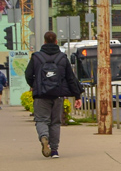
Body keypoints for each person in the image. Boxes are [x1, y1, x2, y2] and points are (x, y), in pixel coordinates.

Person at [25, 31, 83, 159]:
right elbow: (71, 78)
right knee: (55, 122)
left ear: (44, 42)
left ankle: (44, 137)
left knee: (41, 120)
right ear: (56, 42)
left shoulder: (36, 57)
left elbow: (28, 75)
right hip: (58, 95)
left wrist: (35, 85)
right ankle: (55, 150)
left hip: (41, 96)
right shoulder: (62, 58)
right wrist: (77, 96)